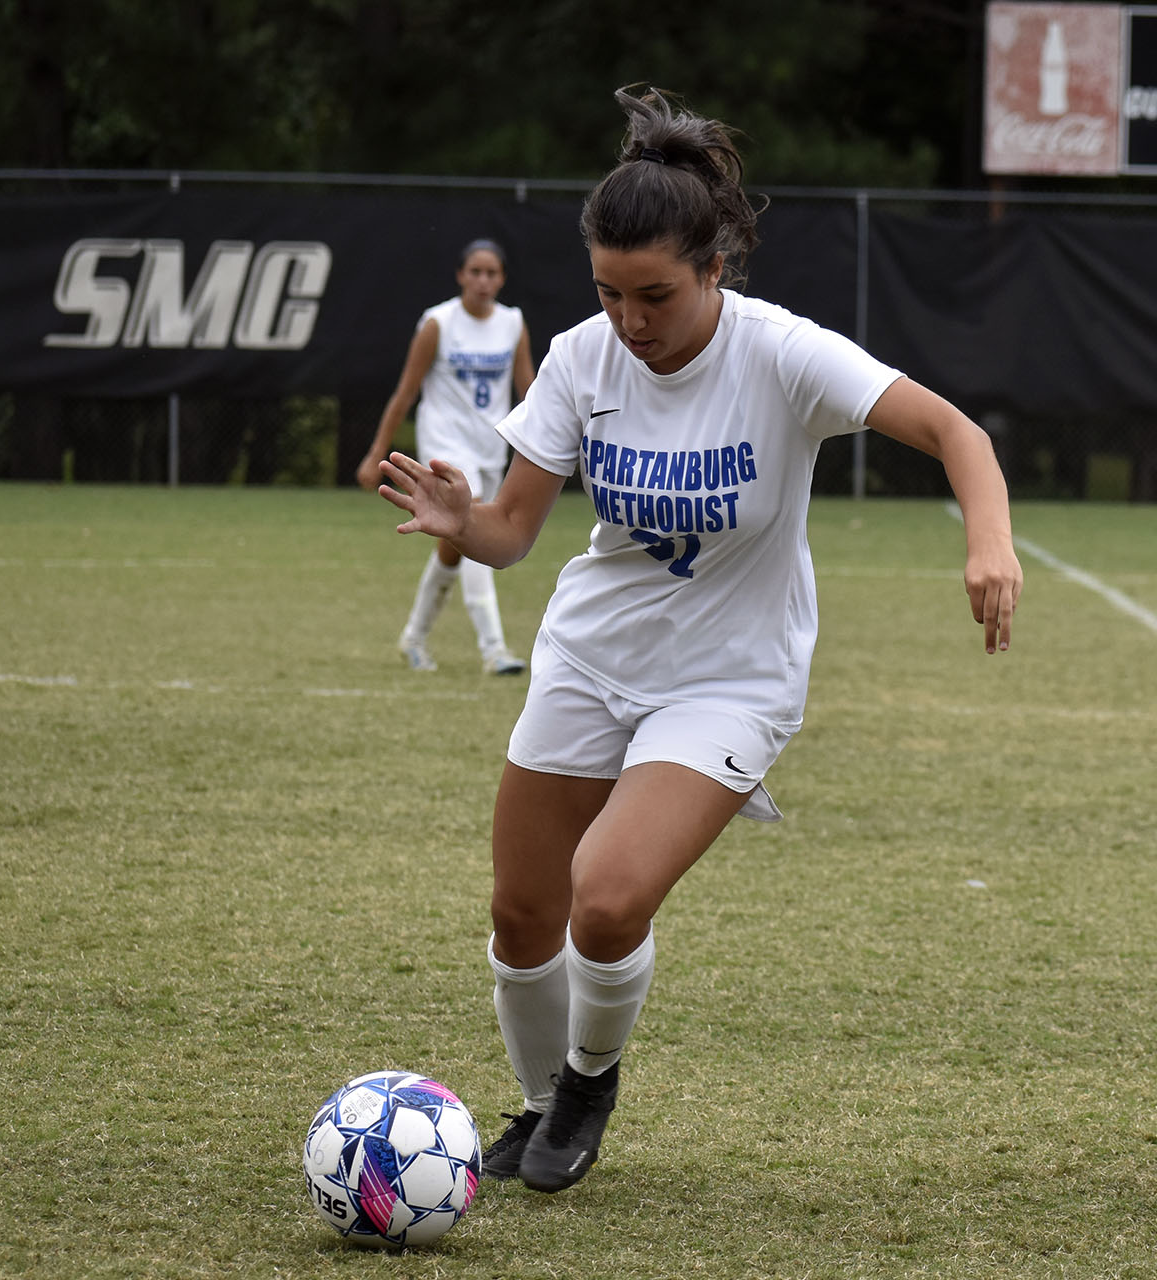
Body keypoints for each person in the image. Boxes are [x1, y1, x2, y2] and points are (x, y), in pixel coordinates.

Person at [373, 86, 1022, 1195]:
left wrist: (991, 544)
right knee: (521, 913)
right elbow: (516, 532)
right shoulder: (582, 357)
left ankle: (586, 1079)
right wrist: (462, 524)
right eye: (610, 293)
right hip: (590, 654)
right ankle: (534, 1105)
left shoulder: (783, 354)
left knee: (608, 896)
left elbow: (954, 430)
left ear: (715, 267)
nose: (631, 320)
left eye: (656, 295)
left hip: (729, 678)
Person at [356, 238, 536, 674]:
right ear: (460, 275)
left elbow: (529, 391)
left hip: (490, 447)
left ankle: (414, 638)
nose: (482, 280)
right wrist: (376, 451)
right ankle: (494, 650)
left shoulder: (512, 324)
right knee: (470, 525)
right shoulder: (438, 323)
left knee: (454, 547)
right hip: (446, 448)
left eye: (491, 273)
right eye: (474, 271)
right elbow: (406, 391)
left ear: (502, 279)